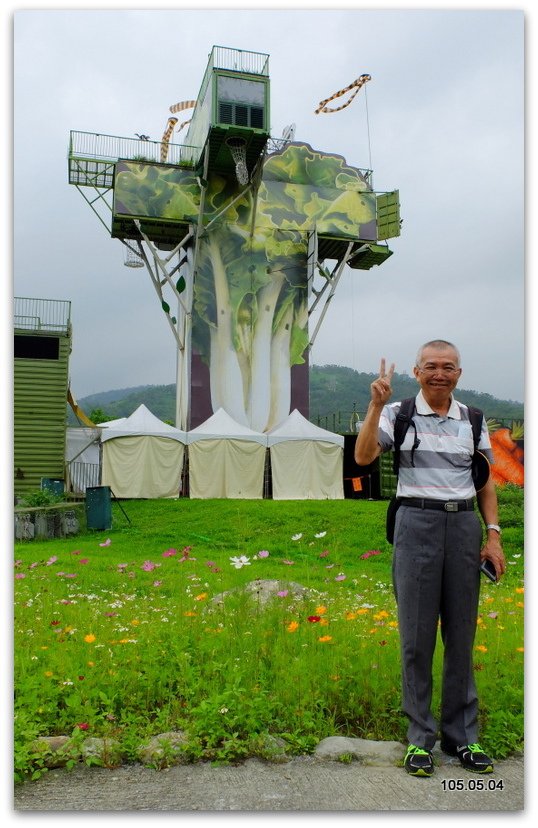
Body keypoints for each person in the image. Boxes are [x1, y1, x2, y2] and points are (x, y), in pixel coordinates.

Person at [354, 340, 506, 778]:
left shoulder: (473, 420)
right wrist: (373, 404)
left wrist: (493, 535)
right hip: (415, 524)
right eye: (431, 367)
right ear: (417, 372)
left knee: (461, 635)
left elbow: (484, 484)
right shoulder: (395, 413)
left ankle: (463, 738)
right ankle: (420, 740)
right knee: (416, 637)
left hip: (463, 528)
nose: (440, 374)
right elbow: (364, 456)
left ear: (459, 373)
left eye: (449, 367)